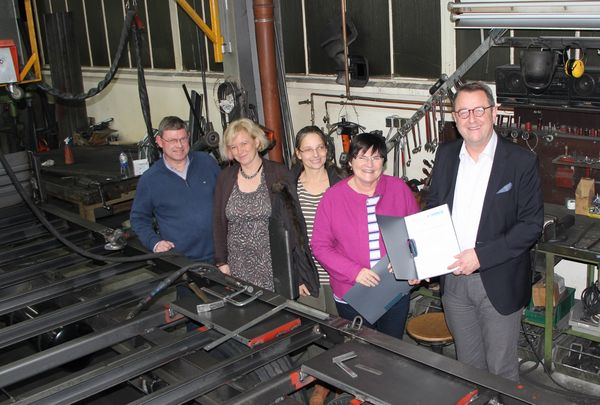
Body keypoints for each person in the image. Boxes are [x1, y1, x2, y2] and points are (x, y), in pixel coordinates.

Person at [426, 81, 543, 381]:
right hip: (453, 283)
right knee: (468, 367)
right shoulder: (446, 155)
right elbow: (434, 209)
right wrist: (424, 258)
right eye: (463, 112)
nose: (472, 119)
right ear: (455, 117)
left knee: (501, 371)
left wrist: (481, 256)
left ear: (494, 112)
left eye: (479, 110)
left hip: (498, 282)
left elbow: (530, 225)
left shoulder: (521, 161)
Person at [311, 132, 419, 338]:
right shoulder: (333, 197)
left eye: (376, 157)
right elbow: (320, 246)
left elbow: (416, 233)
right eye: (362, 157)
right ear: (350, 162)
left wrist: (410, 263)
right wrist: (354, 272)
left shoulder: (399, 189)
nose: (369, 164)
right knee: (361, 350)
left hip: (394, 288)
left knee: (391, 348)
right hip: (353, 293)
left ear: (383, 163)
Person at [213, 118, 314, 293]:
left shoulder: (279, 173)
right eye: (233, 146)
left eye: (244, 143)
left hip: (274, 267)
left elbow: (294, 225)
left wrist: (298, 275)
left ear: (257, 142)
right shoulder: (225, 177)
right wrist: (221, 262)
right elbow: (218, 223)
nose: (240, 151)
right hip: (236, 268)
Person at [130, 116, 220, 262]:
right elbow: (138, 218)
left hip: (221, 254)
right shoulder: (150, 180)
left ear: (188, 137)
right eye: (172, 140)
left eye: (183, 139)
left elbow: (227, 199)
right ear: (160, 142)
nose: (179, 145)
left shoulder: (207, 162)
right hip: (183, 261)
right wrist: (154, 242)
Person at [291, 126, 345, 315]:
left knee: (344, 328)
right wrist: (295, 277)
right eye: (308, 149)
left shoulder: (343, 183)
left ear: (326, 150)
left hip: (341, 275)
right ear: (298, 153)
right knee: (313, 329)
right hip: (307, 278)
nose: (315, 154)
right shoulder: (288, 187)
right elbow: (285, 237)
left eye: (320, 147)